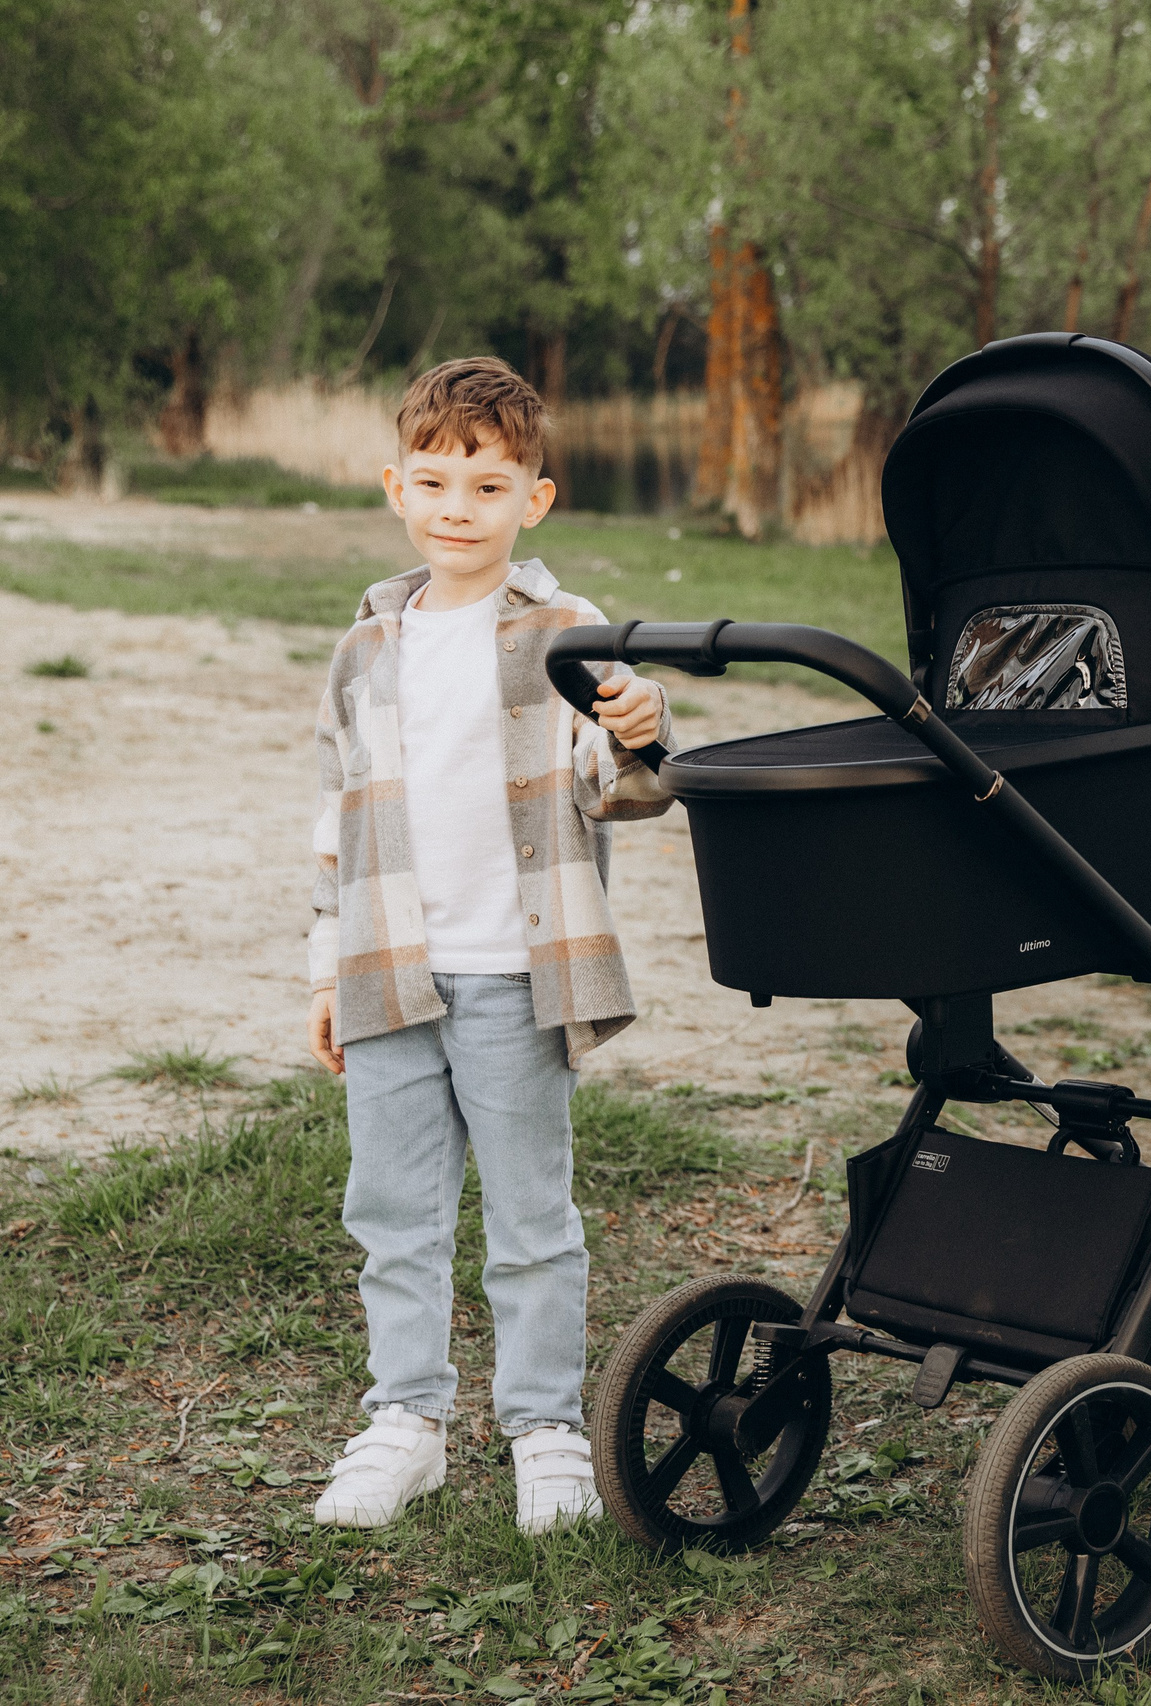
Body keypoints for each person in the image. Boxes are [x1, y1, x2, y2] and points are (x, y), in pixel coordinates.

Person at [303, 356, 674, 1532]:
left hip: (516, 974)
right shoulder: (368, 643)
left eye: (488, 483)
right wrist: (326, 967)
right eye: (435, 480)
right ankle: (404, 1418)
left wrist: (635, 727)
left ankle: (545, 1425)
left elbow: (618, 783)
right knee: (392, 1210)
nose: (457, 507)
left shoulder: (565, 633)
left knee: (529, 1216)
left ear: (535, 498)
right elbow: (336, 819)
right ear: (393, 487)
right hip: (388, 972)